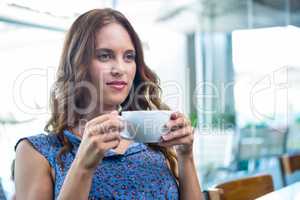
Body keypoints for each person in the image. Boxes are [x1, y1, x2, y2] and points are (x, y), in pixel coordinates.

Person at [14, 8, 202, 200]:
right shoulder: (37, 151)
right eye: (105, 55)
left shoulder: (157, 142)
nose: (120, 69)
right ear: (77, 64)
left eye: (129, 57)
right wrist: (83, 166)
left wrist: (186, 156)